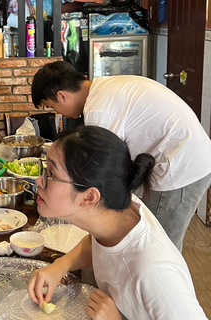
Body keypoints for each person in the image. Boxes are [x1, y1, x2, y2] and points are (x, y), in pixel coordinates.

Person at [28, 125, 207, 319]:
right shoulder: (116, 212)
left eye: (51, 174)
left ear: (89, 197)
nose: (39, 180)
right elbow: (99, 244)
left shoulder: (155, 272)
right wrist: (59, 266)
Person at [31, 61, 211, 251]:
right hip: (178, 156)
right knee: (143, 229)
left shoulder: (99, 110)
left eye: (52, 106)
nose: (57, 113)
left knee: (160, 243)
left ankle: (158, 278)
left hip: (182, 165)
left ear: (62, 95)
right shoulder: (104, 89)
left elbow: (102, 171)